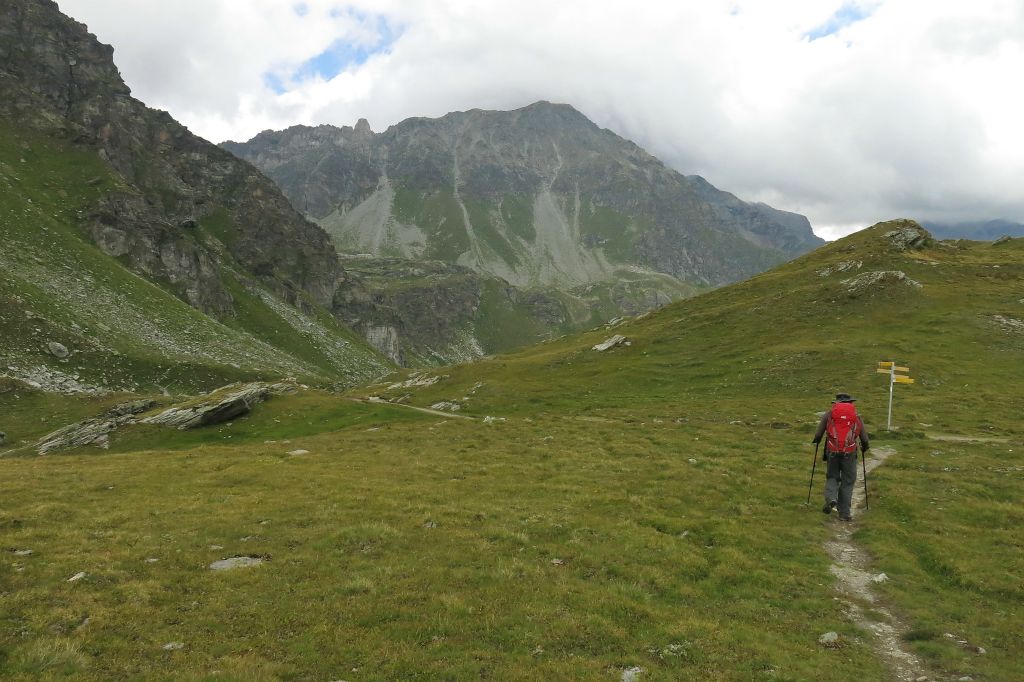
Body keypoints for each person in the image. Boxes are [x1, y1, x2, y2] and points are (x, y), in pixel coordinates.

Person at [812, 393, 869, 521]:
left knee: (832, 476)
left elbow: (818, 434)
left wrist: (817, 440)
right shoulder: (856, 416)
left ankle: (831, 499)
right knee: (847, 481)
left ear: (836, 403)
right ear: (850, 402)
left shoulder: (829, 415)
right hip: (850, 453)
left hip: (832, 451)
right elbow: (864, 438)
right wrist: (865, 447)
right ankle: (844, 513)